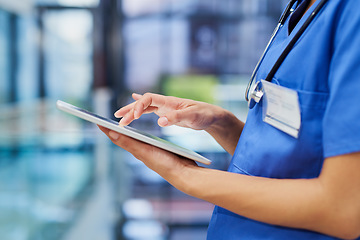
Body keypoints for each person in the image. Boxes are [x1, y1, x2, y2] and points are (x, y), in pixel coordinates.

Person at [98, 0, 360, 239]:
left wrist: (184, 174)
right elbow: (293, 161)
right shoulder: (300, 8)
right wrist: (222, 124)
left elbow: (345, 209)